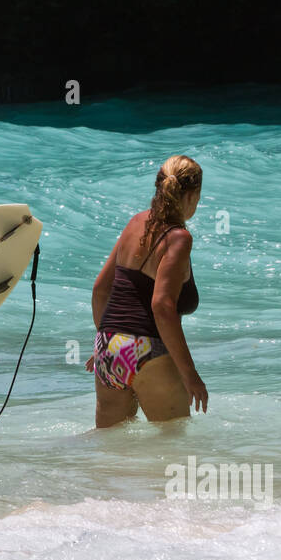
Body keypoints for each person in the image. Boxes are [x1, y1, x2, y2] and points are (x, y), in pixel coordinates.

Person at [86, 155, 208, 427]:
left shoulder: (136, 222)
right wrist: (190, 374)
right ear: (192, 195)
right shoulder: (179, 238)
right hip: (147, 351)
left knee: (110, 447)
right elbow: (162, 306)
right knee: (173, 448)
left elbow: (99, 289)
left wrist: (110, 342)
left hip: (107, 348)